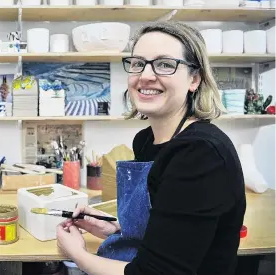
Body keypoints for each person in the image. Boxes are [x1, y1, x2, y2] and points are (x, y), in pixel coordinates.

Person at [56, 21, 246, 275]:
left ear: (194, 79)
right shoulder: (146, 140)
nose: (145, 75)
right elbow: (168, 230)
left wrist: (77, 254)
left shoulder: (200, 154)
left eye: (165, 64)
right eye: (137, 63)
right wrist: (115, 229)